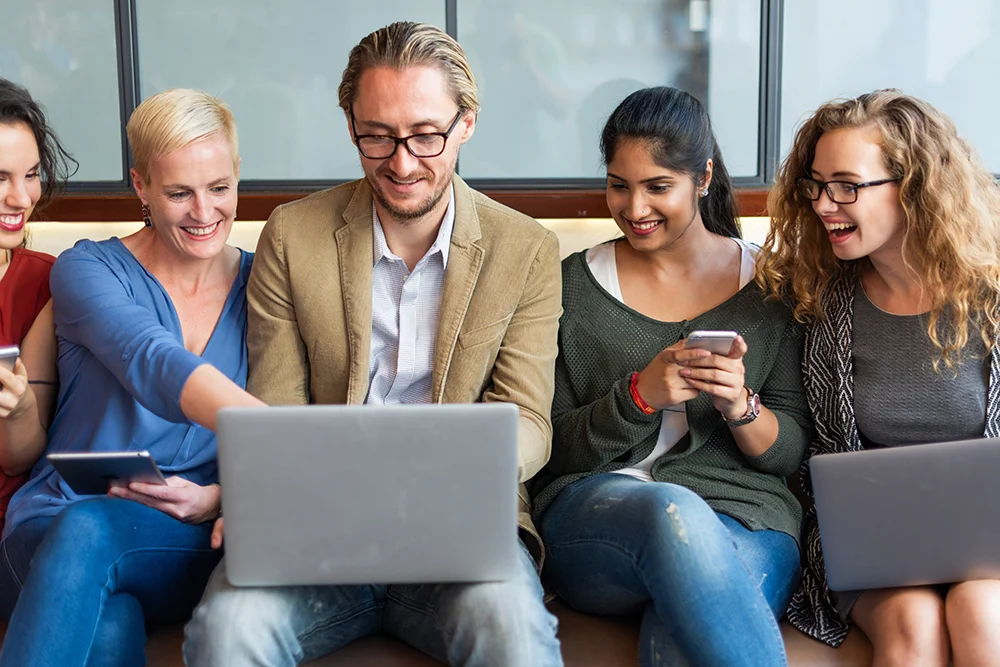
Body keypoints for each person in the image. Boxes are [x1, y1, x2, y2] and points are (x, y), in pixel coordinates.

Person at [183, 21, 564, 667]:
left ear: (466, 123)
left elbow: (529, 420)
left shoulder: (524, 249)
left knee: (513, 633)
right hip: (316, 527)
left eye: (426, 135)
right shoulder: (293, 234)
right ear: (351, 123)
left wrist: (456, 471)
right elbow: (275, 409)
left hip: (458, 530)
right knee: (228, 631)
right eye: (377, 136)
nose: (402, 162)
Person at [530, 87, 813, 667]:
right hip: (600, 518)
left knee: (674, 638)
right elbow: (550, 448)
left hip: (746, 519)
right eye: (619, 185)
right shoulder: (570, 290)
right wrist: (638, 397)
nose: (634, 208)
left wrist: (741, 406)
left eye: (658, 187)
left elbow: (789, 452)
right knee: (673, 512)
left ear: (703, 177)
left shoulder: (770, 288)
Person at [0, 88, 262, 666]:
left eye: (219, 188)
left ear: (238, 174)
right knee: (110, 620)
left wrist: (222, 497)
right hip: (54, 519)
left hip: (182, 539)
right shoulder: (87, 270)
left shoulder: (268, 287)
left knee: (94, 534)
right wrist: (275, 437)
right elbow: (150, 358)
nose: (204, 212)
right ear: (141, 186)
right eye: (178, 193)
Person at [759, 89, 1000, 666]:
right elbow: (817, 455)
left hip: (992, 549)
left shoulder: (991, 297)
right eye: (815, 185)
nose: (822, 204)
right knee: (913, 624)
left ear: (913, 186)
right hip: (878, 552)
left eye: (846, 185)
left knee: (979, 614)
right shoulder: (823, 304)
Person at [0, 78, 75, 530]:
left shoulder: (46, 281)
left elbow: (18, 459)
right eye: (0, 178)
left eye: (31, 175)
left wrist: (21, 406)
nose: (22, 198)